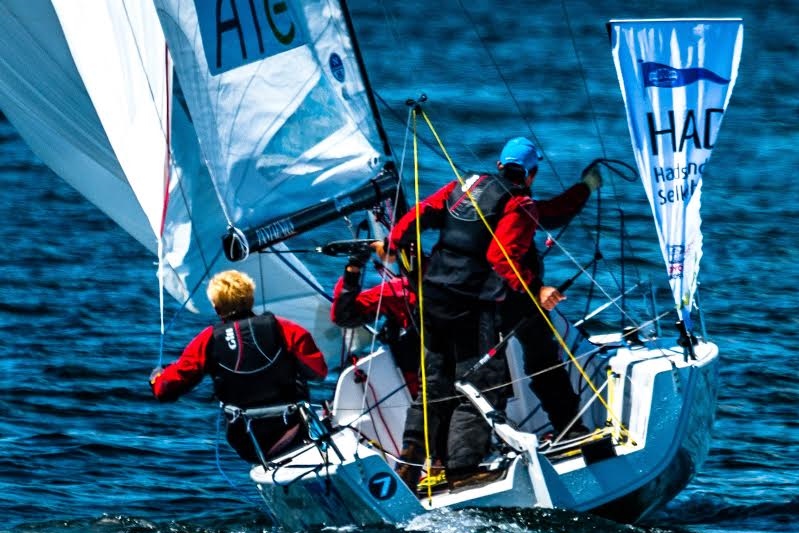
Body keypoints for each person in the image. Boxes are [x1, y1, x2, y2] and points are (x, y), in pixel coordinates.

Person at [379, 136, 600, 491]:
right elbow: (502, 257)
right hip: (475, 302)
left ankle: (411, 457)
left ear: (500, 166)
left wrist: (393, 244)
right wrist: (536, 290)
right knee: (483, 382)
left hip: (433, 296)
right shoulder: (519, 203)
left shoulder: (463, 186)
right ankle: (462, 469)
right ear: (530, 174)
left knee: (435, 381)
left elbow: (420, 212)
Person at [150, 269, 328, 464]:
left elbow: (164, 391)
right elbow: (318, 372)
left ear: (217, 308)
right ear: (251, 299)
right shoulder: (286, 329)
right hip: (295, 427)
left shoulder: (207, 340)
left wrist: (157, 378)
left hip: (247, 440)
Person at [330, 244, 421, 398]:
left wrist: (354, 267)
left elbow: (343, 316)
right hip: (459, 383)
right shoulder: (398, 291)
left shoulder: (399, 291)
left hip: (414, 389)